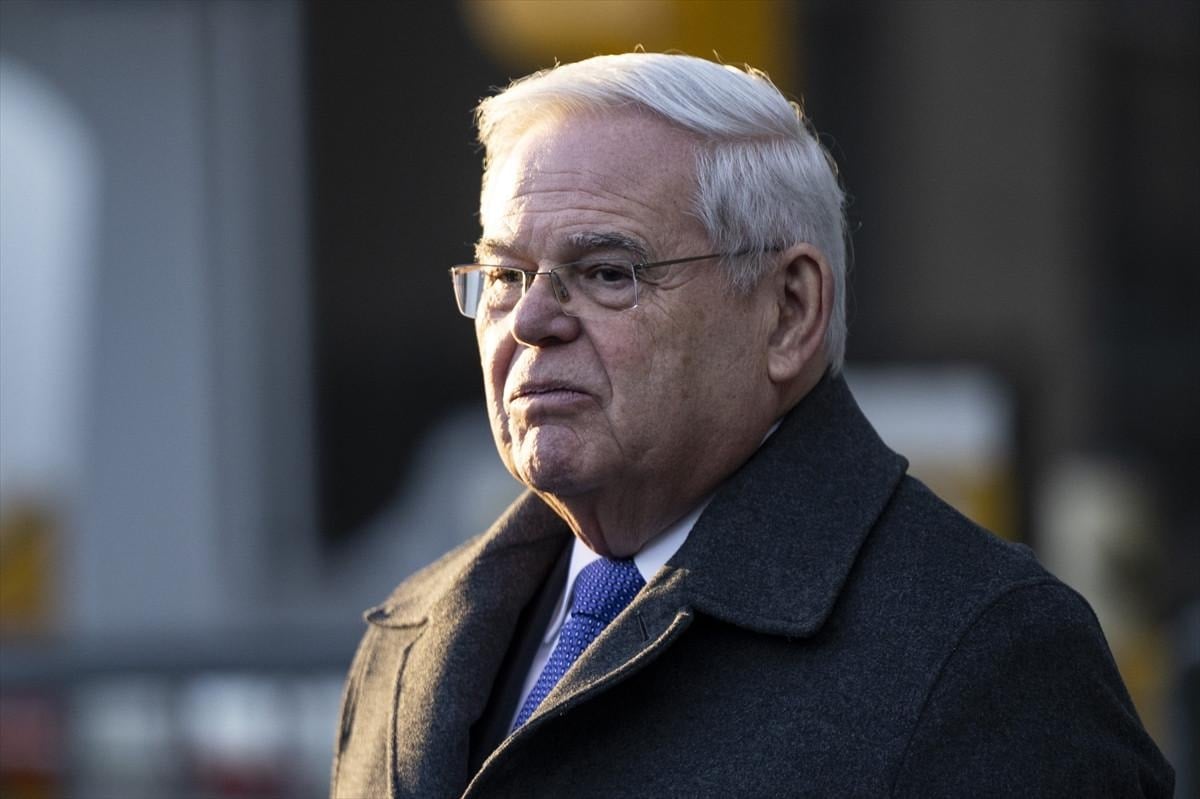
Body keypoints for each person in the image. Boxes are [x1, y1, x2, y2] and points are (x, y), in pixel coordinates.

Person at [330, 53, 1173, 798]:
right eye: (506, 275)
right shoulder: (410, 636)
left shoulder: (987, 655)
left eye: (607, 272)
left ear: (789, 310)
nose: (529, 321)